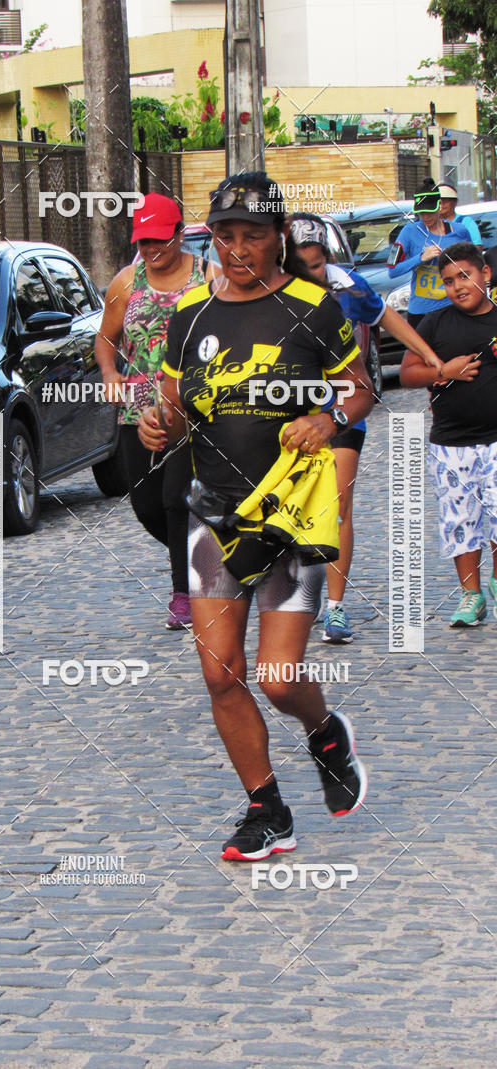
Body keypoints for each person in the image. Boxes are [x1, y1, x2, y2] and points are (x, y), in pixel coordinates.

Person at [138, 173, 374, 862]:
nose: (238, 248)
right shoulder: (190, 314)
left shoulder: (314, 307)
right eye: (225, 235)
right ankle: (266, 810)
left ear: (278, 238)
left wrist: (327, 420)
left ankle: (324, 730)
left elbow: (360, 389)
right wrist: (157, 422)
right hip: (212, 513)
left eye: (253, 235)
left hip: (289, 513)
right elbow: (173, 403)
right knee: (220, 674)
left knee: (277, 677)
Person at [286, 213, 443, 643]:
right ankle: (301, 593)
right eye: (302, 265)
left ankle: (335, 607)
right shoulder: (273, 290)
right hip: (287, 412)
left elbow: (386, 318)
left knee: (338, 506)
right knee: (292, 508)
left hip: (342, 408)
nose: (312, 273)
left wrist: (429, 355)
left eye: (317, 264)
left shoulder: (348, 286)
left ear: (328, 258)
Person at [94, 192, 216, 630]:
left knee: (176, 499)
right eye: (144, 241)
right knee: (147, 506)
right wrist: (109, 372)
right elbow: (105, 339)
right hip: (137, 411)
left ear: (180, 234)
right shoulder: (126, 283)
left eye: (160, 240)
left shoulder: (209, 277)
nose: (151, 249)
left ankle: (185, 594)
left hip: (192, 408)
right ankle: (210, 558)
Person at [400, 241, 497, 626]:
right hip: (451, 442)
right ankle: (471, 595)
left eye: (464, 276)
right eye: (448, 281)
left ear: (484, 273)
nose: (457, 286)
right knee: (460, 521)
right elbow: (407, 373)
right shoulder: (435, 323)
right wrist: (444, 371)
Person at [388, 183, 469, 329]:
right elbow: (392, 271)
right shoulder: (408, 232)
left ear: (439, 206)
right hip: (420, 312)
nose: (425, 217)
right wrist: (420, 258)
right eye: (421, 212)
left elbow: (472, 266)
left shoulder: (460, 231)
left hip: (452, 307)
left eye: (430, 212)